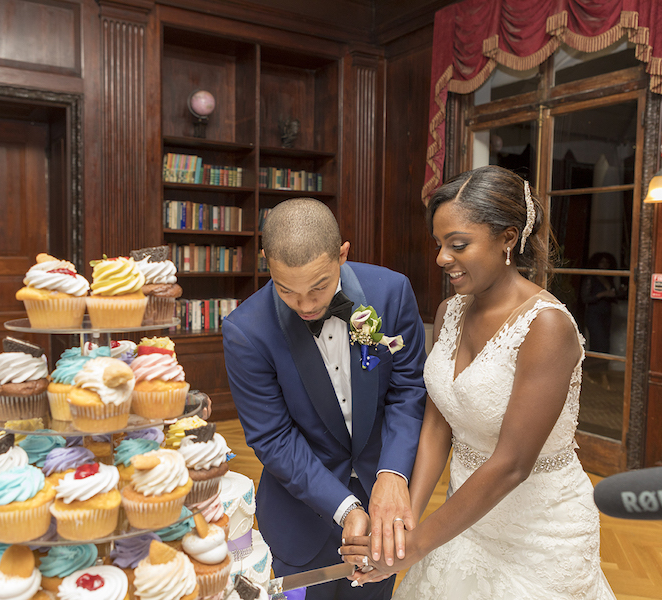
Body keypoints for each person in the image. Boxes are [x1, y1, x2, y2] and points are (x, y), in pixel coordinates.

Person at [340, 165, 615, 598]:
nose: (441, 258)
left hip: (538, 529)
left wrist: (418, 544)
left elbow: (512, 464)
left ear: (508, 238)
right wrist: (402, 527)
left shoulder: (547, 327)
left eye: (458, 244)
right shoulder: (451, 311)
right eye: (439, 244)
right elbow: (436, 423)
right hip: (464, 515)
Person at [222, 198, 427, 600]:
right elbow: (273, 438)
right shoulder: (246, 331)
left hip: (383, 512)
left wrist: (392, 474)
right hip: (300, 519)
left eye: (318, 286)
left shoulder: (391, 293)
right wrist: (347, 508)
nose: (307, 305)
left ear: (343, 254)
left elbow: (408, 391)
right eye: (287, 291)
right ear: (267, 264)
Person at [581, 252, 624, 389]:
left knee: (605, 346)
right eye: (602, 262)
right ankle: (590, 373)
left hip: (606, 315)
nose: (605, 265)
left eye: (607, 263)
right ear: (596, 263)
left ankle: (601, 375)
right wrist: (602, 294)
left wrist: (619, 293)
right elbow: (586, 298)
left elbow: (614, 297)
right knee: (598, 345)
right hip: (594, 315)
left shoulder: (608, 279)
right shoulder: (591, 279)